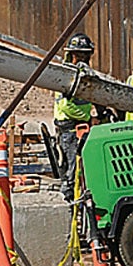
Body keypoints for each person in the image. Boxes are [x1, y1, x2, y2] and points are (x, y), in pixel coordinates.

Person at [53, 33, 98, 186]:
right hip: (70, 128)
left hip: (77, 125)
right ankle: (70, 195)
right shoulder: (66, 75)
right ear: (73, 54)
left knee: (81, 166)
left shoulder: (81, 73)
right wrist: (87, 118)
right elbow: (65, 106)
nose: (85, 58)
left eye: (87, 55)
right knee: (72, 169)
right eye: (82, 55)